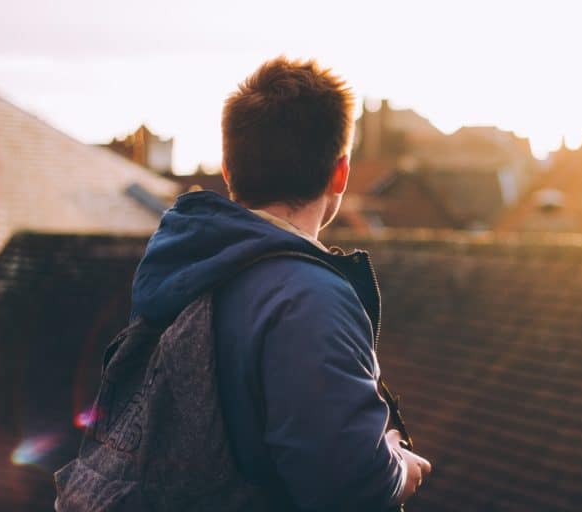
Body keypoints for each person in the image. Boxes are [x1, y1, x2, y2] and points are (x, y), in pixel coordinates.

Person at [128, 57, 431, 510]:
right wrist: (398, 467)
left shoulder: (179, 268)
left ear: (228, 170)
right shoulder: (310, 299)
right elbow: (348, 486)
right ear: (340, 173)